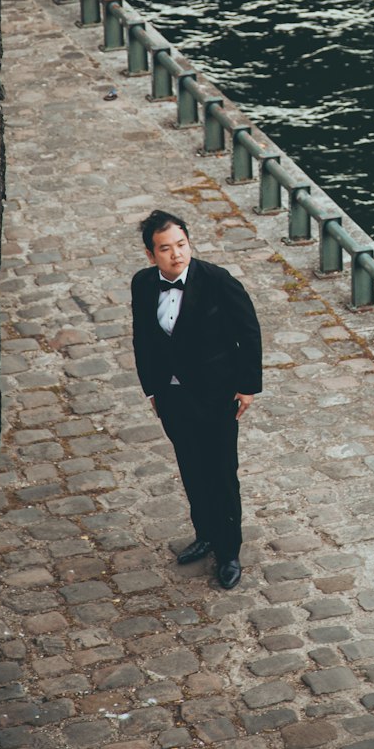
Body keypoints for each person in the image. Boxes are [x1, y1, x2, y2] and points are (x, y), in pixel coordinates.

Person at [131, 209, 262, 590]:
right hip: (172, 396)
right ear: (151, 254)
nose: (176, 254)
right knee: (191, 468)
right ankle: (205, 534)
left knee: (221, 472)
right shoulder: (142, 284)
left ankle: (229, 551)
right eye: (166, 249)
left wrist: (247, 386)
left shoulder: (218, 281)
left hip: (216, 393)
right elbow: (142, 338)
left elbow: (248, 331)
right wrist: (152, 389)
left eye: (182, 245)